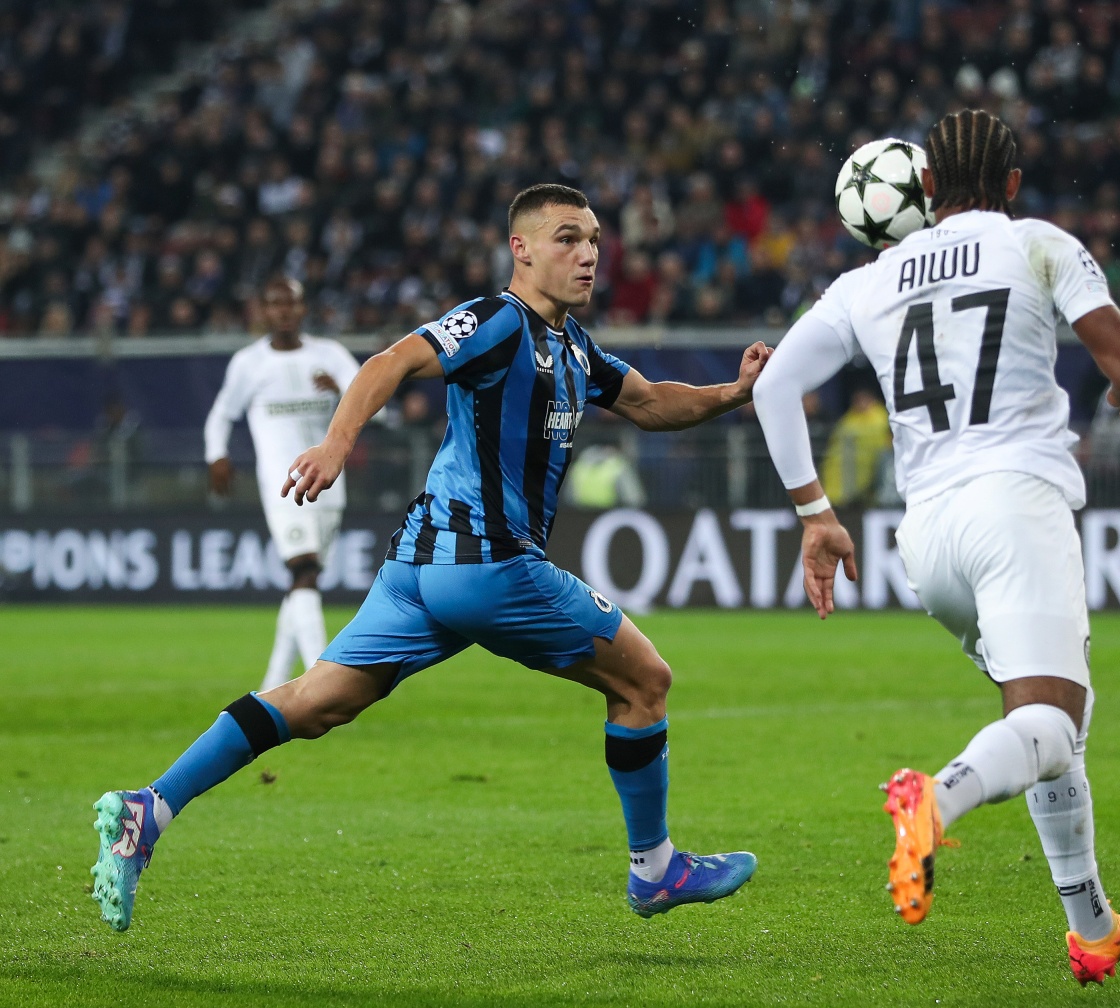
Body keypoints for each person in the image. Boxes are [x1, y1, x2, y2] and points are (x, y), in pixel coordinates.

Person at [91, 184, 768, 932]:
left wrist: (736, 392)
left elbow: (650, 403)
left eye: (596, 240)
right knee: (646, 682)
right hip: (489, 565)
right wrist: (336, 445)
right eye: (568, 239)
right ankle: (656, 869)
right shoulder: (495, 322)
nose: (588, 255)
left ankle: (149, 807)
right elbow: (391, 361)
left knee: (316, 702)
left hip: (421, 567)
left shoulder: (575, 349)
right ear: (522, 249)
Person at [752, 110, 1120, 986]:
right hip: (1016, 506)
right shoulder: (1038, 243)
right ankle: (933, 802)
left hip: (927, 540)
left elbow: (775, 388)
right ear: (1012, 185)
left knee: (1051, 725)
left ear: (926, 189)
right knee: (1050, 722)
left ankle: (1094, 930)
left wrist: (815, 514)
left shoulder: (865, 283)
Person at [204, 277, 362, 690]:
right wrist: (216, 455)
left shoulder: (331, 355)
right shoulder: (248, 363)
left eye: (290, 303)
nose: (283, 311)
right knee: (304, 568)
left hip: (329, 485)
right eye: (274, 304)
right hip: (283, 486)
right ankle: (320, 676)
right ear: (263, 310)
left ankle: (274, 682)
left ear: (302, 308)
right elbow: (222, 414)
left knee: (303, 583)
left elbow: (375, 409)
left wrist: (345, 390)